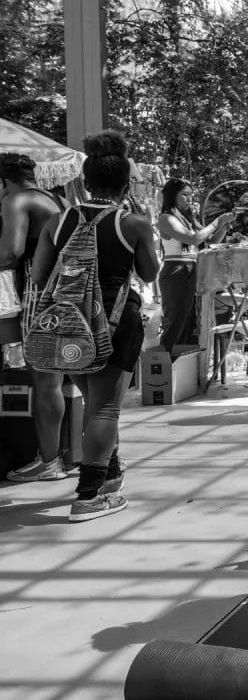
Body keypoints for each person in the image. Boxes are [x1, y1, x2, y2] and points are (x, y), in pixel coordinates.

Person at [29, 133, 159, 520]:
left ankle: (110, 474)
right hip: (116, 323)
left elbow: (39, 276)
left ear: (84, 182)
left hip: (67, 325)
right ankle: (88, 495)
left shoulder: (58, 219)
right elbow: (148, 273)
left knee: (94, 402)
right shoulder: (132, 222)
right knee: (105, 410)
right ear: (125, 186)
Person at [0, 153, 69, 482]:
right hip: (66, 292)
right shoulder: (56, 198)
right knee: (60, 379)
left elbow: (10, 252)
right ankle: (62, 456)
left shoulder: (16, 199)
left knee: (45, 382)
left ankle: (50, 461)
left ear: (3, 181)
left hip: (38, 293)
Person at [156, 178, 236, 354]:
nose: (189, 199)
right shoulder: (166, 218)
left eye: (191, 195)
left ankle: (183, 367)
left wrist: (223, 225)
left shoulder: (188, 219)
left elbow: (210, 241)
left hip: (192, 271)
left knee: (190, 322)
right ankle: (163, 365)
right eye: (185, 195)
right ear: (172, 196)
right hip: (176, 271)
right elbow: (194, 239)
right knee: (175, 320)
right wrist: (217, 221)